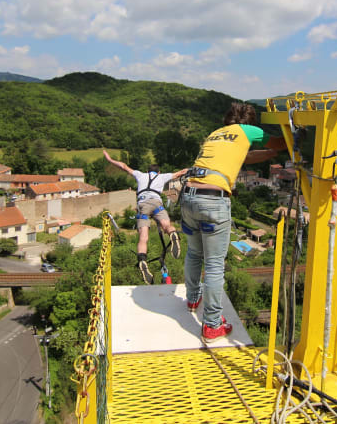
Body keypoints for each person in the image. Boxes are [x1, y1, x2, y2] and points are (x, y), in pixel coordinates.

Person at [180, 102, 286, 343]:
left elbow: (242, 157)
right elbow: (279, 143)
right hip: (213, 202)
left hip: (188, 196)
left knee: (195, 253)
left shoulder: (216, 134)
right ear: (249, 123)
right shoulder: (247, 131)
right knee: (215, 265)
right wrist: (293, 135)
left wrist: (267, 156)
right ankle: (212, 326)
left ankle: (192, 299)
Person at [103, 150, 188, 284]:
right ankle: (173, 234)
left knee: (143, 237)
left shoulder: (140, 175)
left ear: (148, 172)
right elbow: (180, 173)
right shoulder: (162, 177)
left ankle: (142, 260)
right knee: (166, 225)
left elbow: (124, 166)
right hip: (156, 203)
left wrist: (110, 160)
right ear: (158, 172)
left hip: (142, 205)